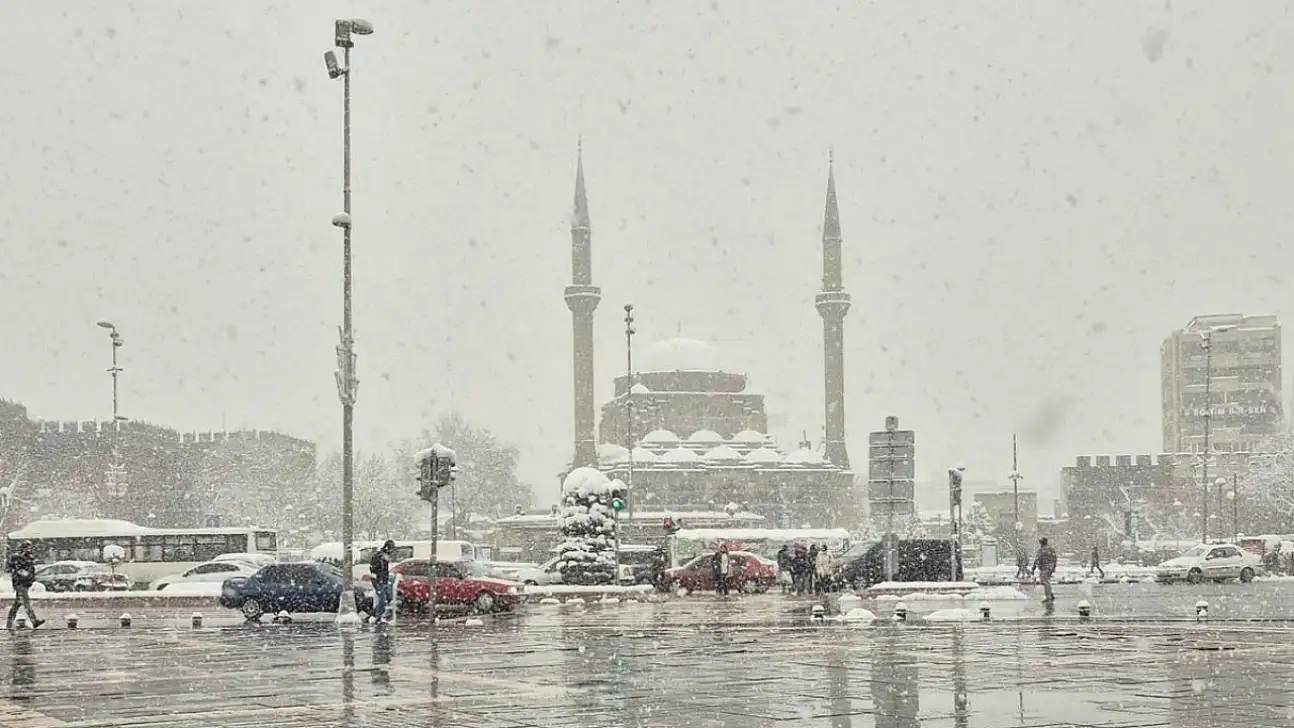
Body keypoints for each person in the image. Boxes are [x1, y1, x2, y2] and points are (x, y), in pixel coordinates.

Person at [6, 542, 44, 630]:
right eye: (27, 547)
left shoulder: (26, 556)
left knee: (17, 604)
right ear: (23, 548)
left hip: (24, 583)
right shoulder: (19, 557)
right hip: (20, 583)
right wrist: (26, 575)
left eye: (30, 547)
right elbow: (20, 570)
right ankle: (34, 621)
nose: (29, 549)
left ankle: (9, 624)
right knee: (26, 603)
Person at [368, 540, 395, 622]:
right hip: (378, 581)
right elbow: (373, 568)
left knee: (389, 598)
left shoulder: (385, 557)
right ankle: (376, 616)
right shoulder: (379, 556)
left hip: (383, 580)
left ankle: (375, 614)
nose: (392, 551)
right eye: (391, 549)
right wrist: (377, 578)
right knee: (383, 600)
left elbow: (385, 570)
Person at [1032, 537, 1057, 603]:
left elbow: (1037, 559)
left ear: (1041, 543)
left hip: (1044, 568)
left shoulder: (1041, 550)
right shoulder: (1051, 549)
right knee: (1046, 581)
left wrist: (1033, 568)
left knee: (1044, 581)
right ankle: (1050, 594)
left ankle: (1048, 596)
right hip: (1050, 568)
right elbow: (1055, 558)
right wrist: (1053, 567)